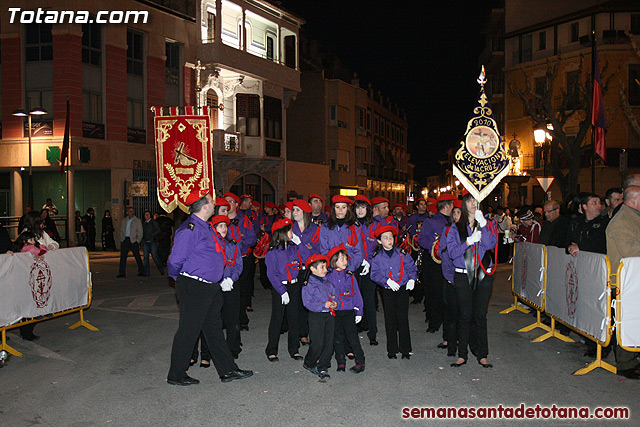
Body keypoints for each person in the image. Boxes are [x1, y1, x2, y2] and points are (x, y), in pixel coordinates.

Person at [167, 192, 253, 386]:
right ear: (204, 206)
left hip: (209, 287)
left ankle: (227, 370)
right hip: (195, 286)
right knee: (188, 330)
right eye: (212, 201)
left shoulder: (205, 227)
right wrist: (181, 280)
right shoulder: (190, 229)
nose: (215, 203)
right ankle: (176, 374)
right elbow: (175, 260)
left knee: (213, 330)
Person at [444, 192, 497, 369]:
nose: (473, 204)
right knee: (464, 315)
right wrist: (468, 242)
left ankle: (482, 354)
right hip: (462, 274)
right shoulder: (455, 228)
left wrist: (483, 225)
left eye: (476, 201)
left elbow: (490, 245)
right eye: (469, 201)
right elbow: (452, 253)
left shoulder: (488, 224)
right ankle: (462, 354)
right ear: (464, 204)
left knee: (480, 316)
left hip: (482, 275)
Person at [192, 214, 245, 367]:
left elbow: (238, 265)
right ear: (213, 229)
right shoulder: (209, 246)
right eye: (220, 226)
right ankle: (206, 354)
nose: (224, 229)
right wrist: (220, 279)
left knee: (232, 319)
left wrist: (230, 279)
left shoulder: (232, 245)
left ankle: (231, 350)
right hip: (214, 286)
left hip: (230, 285)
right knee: (211, 322)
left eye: (225, 226)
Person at [606, 185, 640, 379]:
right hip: (624, 282)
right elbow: (629, 249)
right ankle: (626, 362)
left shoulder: (631, 217)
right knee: (626, 321)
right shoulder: (622, 220)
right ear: (634, 199)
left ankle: (633, 357)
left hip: (633, 278)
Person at [370, 224, 417, 360]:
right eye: (385, 238)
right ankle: (392, 349)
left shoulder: (402, 253)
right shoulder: (377, 257)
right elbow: (374, 274)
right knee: (390, 319)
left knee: (402, 318)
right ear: (379, 241)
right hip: (388, 290)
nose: (389, 240)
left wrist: (412, 280)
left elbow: (411, 268)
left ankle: (405, 349)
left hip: (402, 289)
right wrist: (386, 281)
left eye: (391, 237)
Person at [265, 217, 304, 362]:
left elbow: (302, 261)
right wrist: (282, 291)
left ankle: (294, 349)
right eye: (290, 230)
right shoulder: (273, 252)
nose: (292, 233)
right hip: (279, 286)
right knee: (277, 319)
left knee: (294, 319)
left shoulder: (293, 248)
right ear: (282, 233)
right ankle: (271, 350)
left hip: (293, 285)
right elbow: (271, 274)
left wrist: (300, 245)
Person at [17, 211, 59, 341]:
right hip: (30, 273)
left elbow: (54, 243)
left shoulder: (41, 233)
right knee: (30, 301)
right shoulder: (26, 234)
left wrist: (51, 246)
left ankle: (28, 328)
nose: (43, 223)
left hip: (42, 272)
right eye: (40, 221)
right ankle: (25, 330)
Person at [418, 194, 455, 332]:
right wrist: (436, 246)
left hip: (450, 261)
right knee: (435, 292)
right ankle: (434, 322)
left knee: (448, 293)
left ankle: (448, 322)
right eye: (452, 205)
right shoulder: (431, 221)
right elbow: (421, 240)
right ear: (446, 206)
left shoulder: (454, 220)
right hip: (434, 261)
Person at [326, 244, 365, 373]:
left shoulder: (350, 276)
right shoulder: (328, 277)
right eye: (341, 259)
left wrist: (359, 310)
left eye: (345, 259)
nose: (345, 261)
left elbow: (357, 294)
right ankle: (340, 361)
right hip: (335, 312)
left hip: (348, 311)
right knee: (337, 338)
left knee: (353, 338)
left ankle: (360, 361)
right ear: (333, 261)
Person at [223, 192, 257, 331]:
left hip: (241, 259)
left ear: (236, 205)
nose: (227, 204)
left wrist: (238, 249)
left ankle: (241, 318)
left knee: (241, 291)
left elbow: (252, 238)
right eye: (225, 201)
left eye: (231, 201)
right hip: (223, 262)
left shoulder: (244, 220)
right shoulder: (219, 220)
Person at [301, 254, 337, 380]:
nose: (325, 269)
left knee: (329, 343)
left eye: (325, 266)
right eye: (322, 267)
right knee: (317, 343)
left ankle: (323, 366)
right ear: (312, 269)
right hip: (316, 316)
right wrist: (323, 304)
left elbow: (334, 294)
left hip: (329, 315)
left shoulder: (327, 281)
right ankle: (309, 362)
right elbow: (307, 302)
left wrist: (335, 302)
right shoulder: (309, 284)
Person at [292, 199, 321, 346]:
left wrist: (300, 245)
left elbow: (316, 251)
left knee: (311, 301)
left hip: (310, 270)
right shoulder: (290, 228)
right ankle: (301, 333)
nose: (294, 213)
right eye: (294, 210)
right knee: (297, 302)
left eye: (298, 210)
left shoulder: (314, 229)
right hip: (295, 270)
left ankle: (312, 332)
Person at [353, 194, 379, 346]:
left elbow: (378, 245)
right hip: (354, 265)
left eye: (363, 207)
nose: (360, 210)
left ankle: (372, 332)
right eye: (357, 207)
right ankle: (355, 326)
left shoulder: (374, 224)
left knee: (369, 299)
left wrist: (369, 261)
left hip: (370, 266)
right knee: (354, 297)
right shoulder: (351, 224)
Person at [437, 200, 462, 356]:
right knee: (449, 309)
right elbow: (443, 252)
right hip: (450, 275)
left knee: (462, 310)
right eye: (454, 212)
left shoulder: (469, 229)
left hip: (464, 275)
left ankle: (461, 338)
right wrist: (449, 274)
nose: (456, 215)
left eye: (459, 212)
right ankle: (448, 339)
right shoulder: (447, 229)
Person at [117, 207, 144, 278]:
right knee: (123, 257)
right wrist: (122, 239)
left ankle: (141, 271)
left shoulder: (137, 220)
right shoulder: (124, 220)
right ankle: (122, 273)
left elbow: (140, 231)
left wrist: (137, 241)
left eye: (132, 211)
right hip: (125, 240)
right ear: (127, 212)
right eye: (129, 211)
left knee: (137, 256)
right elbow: (122, 230)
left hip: (133, 240)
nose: (131, 213)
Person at [141, 210, 164, 276]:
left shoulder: (153, 222)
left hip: (153, 241)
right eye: (145, 215)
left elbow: (158, 230)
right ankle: (146, 272)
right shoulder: (143, 223)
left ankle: (161, 269)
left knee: (154, 256)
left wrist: (151, 234)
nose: (147, 216)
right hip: (146, 241)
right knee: (145, 257)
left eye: (148, 214)